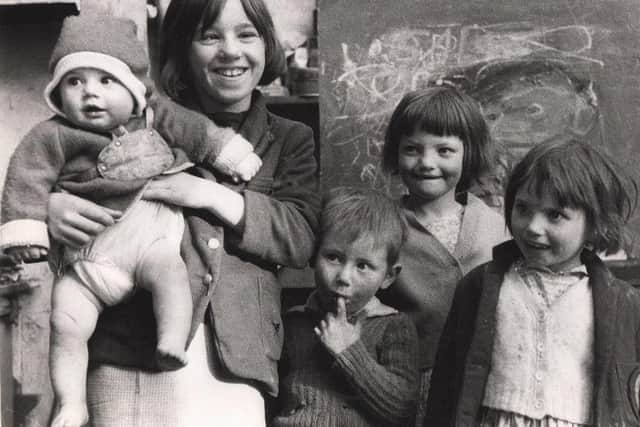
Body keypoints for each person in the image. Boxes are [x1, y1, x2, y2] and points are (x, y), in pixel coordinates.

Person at [45, 1, 320, 426]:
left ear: (267, 45)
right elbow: (45, 171)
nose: (230, 50)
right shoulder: (132, 119)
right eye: (209, 36)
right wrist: (53, 209)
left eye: (246, 34)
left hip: (235, 359)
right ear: (181, 49)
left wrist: (207, 194)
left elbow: (299, 237)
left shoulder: (289, 139)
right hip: (130, 352)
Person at [0, 14, 264, 427]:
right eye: (75, 82)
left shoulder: (159, 116)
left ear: (134, 87)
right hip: (88, 258)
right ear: (56, 93)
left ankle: (173, 338)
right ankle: (72, 402)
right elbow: (26, 177)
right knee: (65, 323)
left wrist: (232, 157)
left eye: (106, 81)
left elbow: (201, 136)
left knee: (170, 274)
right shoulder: (52, 135)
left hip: (148, 244)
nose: (90, 94)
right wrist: (34, 221)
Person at [424, 139, 640, 426]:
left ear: (594, 224)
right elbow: (446, 385)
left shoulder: (621, 304)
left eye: (555, 215)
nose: (533, 227)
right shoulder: (479, 286)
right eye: (523, 208)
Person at [378, 86, 509, 424]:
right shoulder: (380, 225)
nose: (427, 163)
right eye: (412, 149)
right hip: (405, 383)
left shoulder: (497, 227)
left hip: (481, 383)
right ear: (396, 153)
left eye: (445, 150)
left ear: (469, 154)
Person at [272, 186, 419, 427]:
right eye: (333, 257)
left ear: (389, 276)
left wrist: (348, 351)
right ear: (312, 256)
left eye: (362, 266)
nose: (344, 276)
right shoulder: (293, 322)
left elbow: (402, 412)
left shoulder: (393, 327)